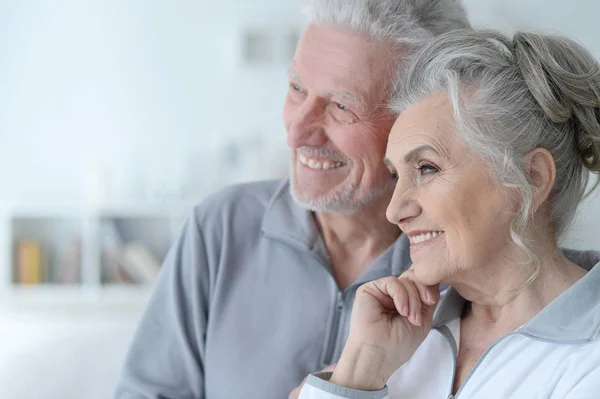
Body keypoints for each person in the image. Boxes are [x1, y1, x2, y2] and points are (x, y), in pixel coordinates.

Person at [113, 1, 471, 398]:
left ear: (418, 121)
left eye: (341, 106)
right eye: (297, 88)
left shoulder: (457, 266)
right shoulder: (220, 227)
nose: (297, 131)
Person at [298, 28, 600, 399]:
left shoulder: (589, 361)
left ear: (531, 178)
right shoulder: (398, 338)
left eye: (426, 168)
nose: (395, 210)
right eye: (396, 176)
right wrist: (361, 367)